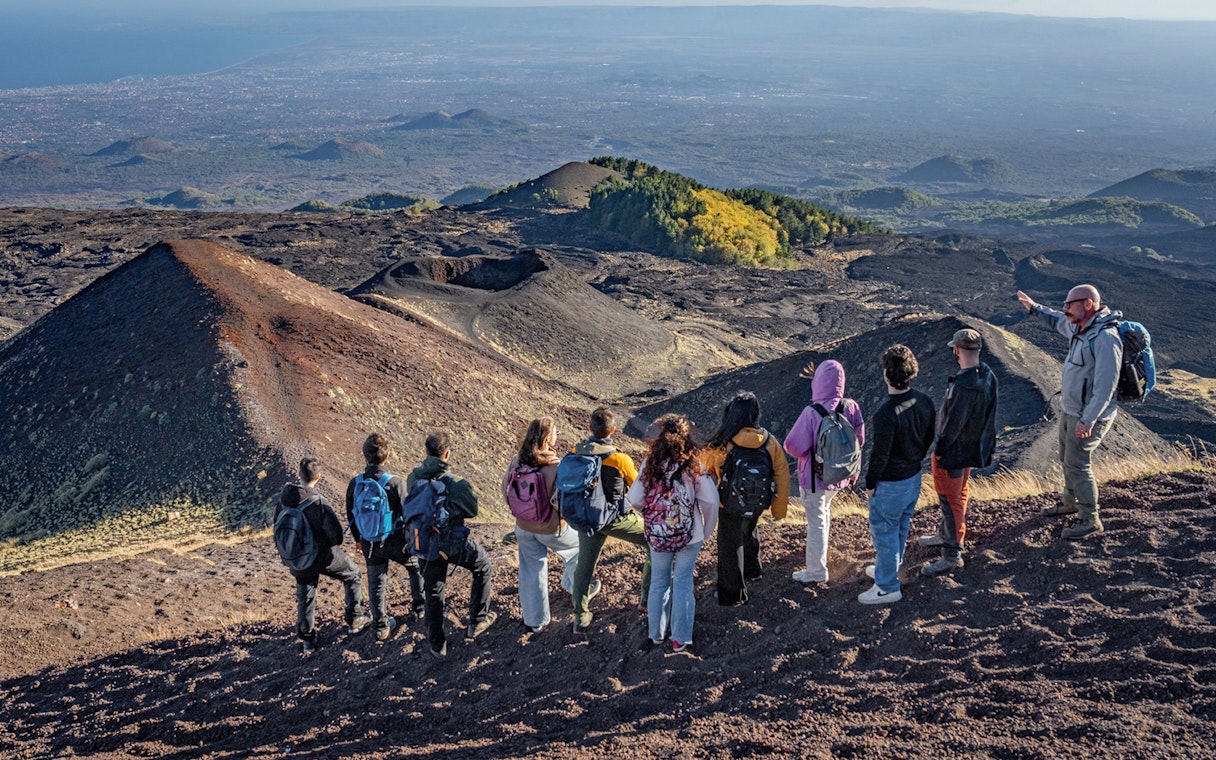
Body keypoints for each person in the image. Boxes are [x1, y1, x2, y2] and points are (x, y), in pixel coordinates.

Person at [1017, 285, 1122, 539]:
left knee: (1078, 464)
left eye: (1069, 304)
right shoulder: (1079, 328)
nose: (1065, 309)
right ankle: (1070, 502)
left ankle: (1089, 518)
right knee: (1066, 456)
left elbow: (1106, 386)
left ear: (1087, 304)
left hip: (1089, 415)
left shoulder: (1106, 338)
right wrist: (1033, 308)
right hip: (1071, 409)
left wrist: (1088, 419)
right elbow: (1055, 320)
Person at [626, 414, 719, 653]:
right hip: (689, 535)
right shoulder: (693, 464)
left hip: (658, 534)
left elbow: (635, 498)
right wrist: (705, 530)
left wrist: (653, 515)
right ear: (686, 436)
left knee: (659, 582)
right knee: (683, 583)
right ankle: (680, 639)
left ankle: (656, 634)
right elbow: (710, 499)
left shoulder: (650, 463)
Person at [408, 430, 496, 658]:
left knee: (434, 590)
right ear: (447, 454)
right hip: (452, 545)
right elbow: (473, 511)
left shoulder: (413, 479)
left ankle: (437, 644)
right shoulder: (456, 483)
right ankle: (477, 620)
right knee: (483, 566)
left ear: (426, 453)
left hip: (425, 544)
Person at [860, 344, 936, 605]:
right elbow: (929, 438)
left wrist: (870, 482)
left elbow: (879, 454)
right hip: (913, 477)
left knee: (885, 532)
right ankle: (889, 568)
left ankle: (886, 586)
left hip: (891, 483)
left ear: (886, 374)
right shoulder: (924, 401)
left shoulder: (885, 413)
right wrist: (915, 459)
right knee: (900, 527)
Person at [920, 328, 999, 575]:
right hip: (971, 448)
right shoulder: (987, 375)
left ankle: (952, 553)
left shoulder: (964, 386)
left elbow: (952, 424)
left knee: (949, 500)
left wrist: (940, 450)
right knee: (960, 494)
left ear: (956, 350)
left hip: (953, 452)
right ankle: (946, 534)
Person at [702, 391, 790, 605]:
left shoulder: (724, 443)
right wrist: (779, 510)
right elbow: (782, 475)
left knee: (730, 544)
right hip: (758, 501)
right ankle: (753, 571)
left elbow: (704, 468)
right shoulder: (770, 441)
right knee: (749, 529)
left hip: (730, 503)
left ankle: (732, 595)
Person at [783, 360, 865, 586]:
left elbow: (793, 445)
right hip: (839, 476)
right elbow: (859, 440)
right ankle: (819, 563)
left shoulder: (812, 412)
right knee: (824, 515)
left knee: (817, 521)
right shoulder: (851, 406)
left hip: (814, 478)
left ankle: (816, 572)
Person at [569, 407, 651, 635]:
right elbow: (637, 489)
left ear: (589, 428)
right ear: (613, 430)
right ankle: (646, 598)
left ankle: (580, 617)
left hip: (587, 517)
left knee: (585, 565)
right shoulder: (619, 458)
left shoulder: (576, 452)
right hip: (614, 518)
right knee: (653, 542)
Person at [277, 457, 368, 654]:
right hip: (321, 557)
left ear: (299, 474)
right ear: (318, 477)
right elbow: (336, 538)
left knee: (306, 593)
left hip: (297, 558)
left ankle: (308, 640)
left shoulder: (283, 500)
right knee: (352, 573)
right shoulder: (318, 503)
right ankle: (355, 619)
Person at [502, 416, 580, 634]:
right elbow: (565, 503)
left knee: (531, 569)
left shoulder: (517, 461)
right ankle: (575, 586)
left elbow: (505, 492)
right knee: (578, 550)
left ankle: (535, 621)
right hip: (550, 528)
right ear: (548, 438)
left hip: (524, 527)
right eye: (555, 432)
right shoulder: (557, 466)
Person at [345, 433, 426, 643]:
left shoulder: (355, 484)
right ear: (387, 457)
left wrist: (358, 539)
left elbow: (350, 513)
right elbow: (409, 516)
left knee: (376, 580)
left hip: (369, 540)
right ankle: (420, 608)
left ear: (365, 456)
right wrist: (412, 542)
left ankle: (381, 625)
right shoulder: (395, 483)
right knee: (415, 566)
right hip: (395, 541)